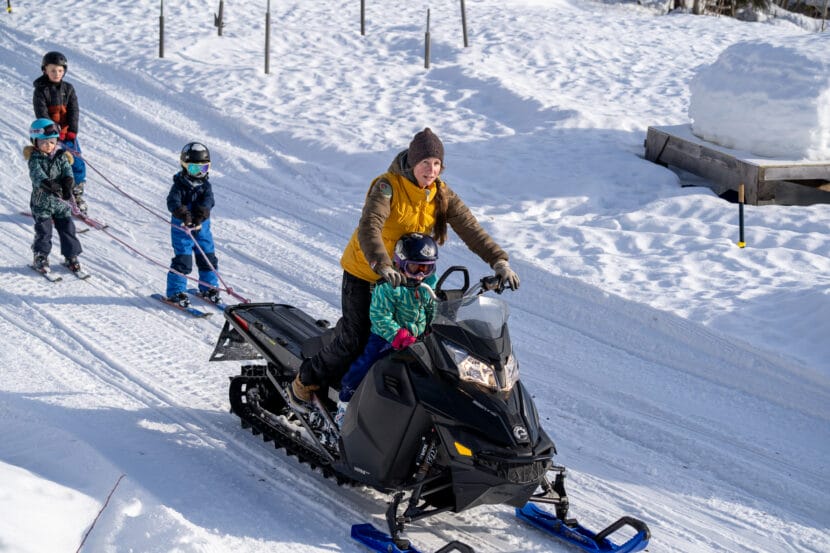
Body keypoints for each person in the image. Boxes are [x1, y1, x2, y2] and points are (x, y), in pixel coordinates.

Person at [289, 127, 520, 411]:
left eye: (436, 163)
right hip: (367, 272)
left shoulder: (440, 193)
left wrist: (498, 260)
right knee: (355, 338)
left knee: (425, 337)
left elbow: (470, 228)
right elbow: (370, 225)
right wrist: (382, 264)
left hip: (410, 277)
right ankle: (305, 381)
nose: (431, 170)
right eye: (425, 162)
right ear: (412, 162)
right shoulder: (387, 187)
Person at [334, 233, 438, 427]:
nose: (420, 274)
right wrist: (397, 334)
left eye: (427, 268)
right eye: (415, 267)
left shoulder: (427, 285)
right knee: (369, 362)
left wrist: (435, 324)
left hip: (416, 339)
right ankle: (345, 400)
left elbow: (433, 307)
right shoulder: (389, 286)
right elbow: (379, 315)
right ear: (400, 263)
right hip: (386, 338)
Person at [165, 142, 220, 307]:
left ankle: (209, 288)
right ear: (185, 166)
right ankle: (176, 292)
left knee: (208, 258)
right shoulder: (179, 185)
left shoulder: (206, 186)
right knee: (183, 260)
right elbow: (173, 202)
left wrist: (201, 214)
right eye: (195, 169)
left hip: (202, 228)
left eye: (204, 168)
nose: (199, 173)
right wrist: (184, 214)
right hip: (183, 229)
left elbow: (209, 201)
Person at [33, 51, 88, 214]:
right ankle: (52, 198)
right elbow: (41, 112)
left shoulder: (68, 89)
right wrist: (53, 132)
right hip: (49, 137)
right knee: (54, 166)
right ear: (45, 70)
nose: (57, 73)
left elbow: (74, 110)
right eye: (52, 70)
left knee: (77, 163)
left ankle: (76, 193)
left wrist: (72, 130)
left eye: (60, 70)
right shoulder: (41, 90)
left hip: (68, 134)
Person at [25, 119, 83, 274]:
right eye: (43, 142)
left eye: (52, 142)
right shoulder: (35, 159)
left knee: (68, 229)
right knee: (44, 232)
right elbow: (37, 176)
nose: (48, 145)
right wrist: (49, 185)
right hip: (42, 203)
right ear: (35, 142)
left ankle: (71, 256)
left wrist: (68, 184)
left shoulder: (61, 156)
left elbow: (67, 171)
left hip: (61, 204)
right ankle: (40, 256)